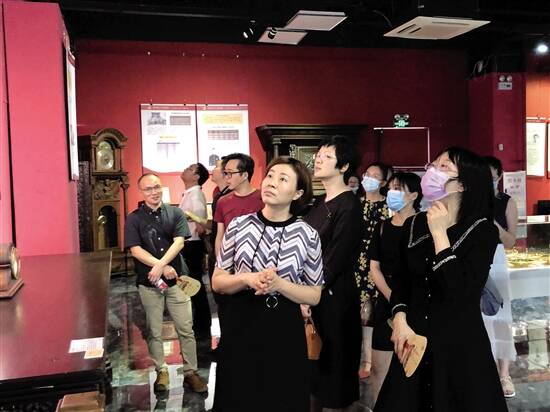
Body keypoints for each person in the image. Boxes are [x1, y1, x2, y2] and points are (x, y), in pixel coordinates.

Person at [374, 147, 508, 412]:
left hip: (459, 347)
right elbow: (401, 282)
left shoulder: (482, 231)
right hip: (414, 341)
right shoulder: (414, 224)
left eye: (444, 167)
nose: (432, 171)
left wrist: (439, 236)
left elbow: (461, 290)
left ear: (463, 184)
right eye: (433, 165)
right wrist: (399, 318)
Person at [212, 156, 324, 412]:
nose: (271, 182)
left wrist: (280, 284)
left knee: (281, 397)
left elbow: (314, 294)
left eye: (282, 179)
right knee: (238, 396)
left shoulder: (307, 234)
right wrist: (246, 278)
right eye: (270, 176)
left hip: (284, 328)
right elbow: (218, 281)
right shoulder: (239, 225)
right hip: (240, 322)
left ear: (297, 193)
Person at [124, 173, 207, 394]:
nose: (154, 192)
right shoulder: (134, 219)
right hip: (149, 282)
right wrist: (160, 267)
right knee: (154, 330)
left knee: (186, 329)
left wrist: (161, 265)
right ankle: (161, 370)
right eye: (148, 189)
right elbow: (135, 250)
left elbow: (179, 242)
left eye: (156, 187)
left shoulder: (175, 213)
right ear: (141, 192)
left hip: (177, 280)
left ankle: (191, 372)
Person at [304, 136, 364, 411]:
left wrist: (310, 293)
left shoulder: (349, 205)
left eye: (327, 156)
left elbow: (335, 258)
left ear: (344, 166)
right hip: (312, 294)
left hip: (334, 297)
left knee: (335, 367)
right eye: (318, 155)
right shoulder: (319, 203)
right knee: (314, 367)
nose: (319, 159)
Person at [367, 172, 422, 408]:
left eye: (398, 188)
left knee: (412, 367)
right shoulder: (382, 227)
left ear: (414, 195)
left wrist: (402, 302)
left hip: (417, 303)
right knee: (379, 367)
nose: (392, 192)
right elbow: (374, 267)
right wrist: (393, 298)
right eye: (390, 188)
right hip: (386, 303)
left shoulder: (425, 226)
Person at [482, 155, 518, 398]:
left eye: (492, 175)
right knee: (478, 317)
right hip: (474, 260)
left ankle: (504, 373)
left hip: (496, 259)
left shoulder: (506, 202)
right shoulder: (469, 200)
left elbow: (511, 240)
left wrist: (495, 227)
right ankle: (484, 369)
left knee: (501, 317)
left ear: (499, 176)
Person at [354, 162, 391, 378]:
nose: (368, 178)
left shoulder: (388, 206)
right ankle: (359, 358)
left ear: (384, 182)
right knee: (356, 313)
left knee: (372, 314)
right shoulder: (354, 204)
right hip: (354, 266)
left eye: (375, 176)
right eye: (367, 173)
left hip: (377, 266)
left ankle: (369, 360)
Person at [179, 162, 212, 338]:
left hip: (192, 243)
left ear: (196, 177)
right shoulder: (190, 193)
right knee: (191, 282)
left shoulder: (196, 194)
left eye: (190, 169)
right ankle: (199, 321)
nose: (185, 169)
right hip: (189, 243)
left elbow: (200, 224)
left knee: (194, 283)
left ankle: (202, 323)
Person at [214, 153, 264, 256]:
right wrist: (219, 260)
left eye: (230, 173)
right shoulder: (222, 201)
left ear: (245, 175)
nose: (226, 177)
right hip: (230, 256)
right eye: (225, 173)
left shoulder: (263, 199)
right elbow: (220, 236)